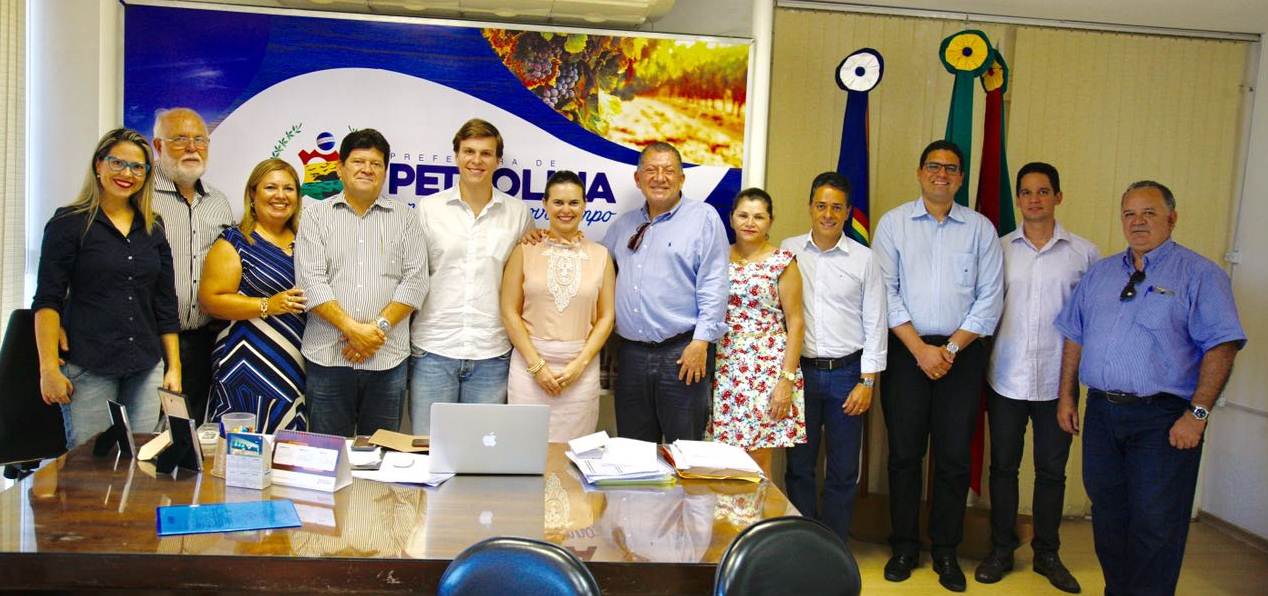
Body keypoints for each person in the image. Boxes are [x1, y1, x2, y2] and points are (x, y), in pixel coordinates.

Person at [1055, 180, 1245, 596]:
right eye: (1129, 214)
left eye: (1149, 213)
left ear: (1171, 219)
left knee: (1156, 523)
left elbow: (1222, 346)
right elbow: (1074, 335)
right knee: (1108, 517)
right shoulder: (1101, 274)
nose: (1137, 222)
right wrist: (1067, 396)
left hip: (1163, 419)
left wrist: (1197, 415)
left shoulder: (1200, 275)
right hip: (1102, 414)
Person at [873, 140, 1004, 592]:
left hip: (960, 357)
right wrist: (920, 350)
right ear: (919, 172)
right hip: (907, 353)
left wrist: (947, 349)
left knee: (952, 457)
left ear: (961, 178)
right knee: (904, 456)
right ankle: (904, 547)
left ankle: (946, 550)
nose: (941, 174)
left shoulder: (981, 229)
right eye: (933, 166)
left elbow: (990, 298)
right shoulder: (893, 224)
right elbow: (885, 292)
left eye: (951, 168)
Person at [975, 163, 1096, 593]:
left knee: (1051, 472)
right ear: (1018, 199)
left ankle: (1047, 553)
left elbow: (1089, 322)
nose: (1034, 200)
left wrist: (1071, 389)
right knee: (1003, 469)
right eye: (1026, 192)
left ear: (1058, 197)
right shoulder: (1000, 249)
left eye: (1043, 191)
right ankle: (1001, 549)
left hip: (1058, 385)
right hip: (1006, 377)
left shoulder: (1084, 254)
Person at [33, 128, 182, 449]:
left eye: (138, 167)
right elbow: (47, 300)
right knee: (91, 464)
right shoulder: (68, 223)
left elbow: (165, 304)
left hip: (145, 365)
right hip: (90, 365)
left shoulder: (153, 226)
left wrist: (174, 368)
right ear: (98, 164)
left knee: (142, 461)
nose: (127, 174)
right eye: (117, 163)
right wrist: (48, 368)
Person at [295, 129, 428, 437]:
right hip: (328, 357)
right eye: (358, 161)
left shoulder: (405, 219)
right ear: (340, 168)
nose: (367, 169)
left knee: (382, 453)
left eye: (376, 163)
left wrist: (374, 331)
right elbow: (311, 282)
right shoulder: (315, 217)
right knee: (327, 453)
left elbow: (415, 282)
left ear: (385, 172)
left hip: (387, 359)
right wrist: (353, 331)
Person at [780, 172, 887, 544]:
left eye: (836, 208)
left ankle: (833, 545)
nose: (828, 214)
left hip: (847, 375)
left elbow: (876, 322)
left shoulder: (865, 259)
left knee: (843, 469)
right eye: (821, 206)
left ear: (848, 212)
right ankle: (803, 543)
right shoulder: (788, 251)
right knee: (799, 466)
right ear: (810, 207)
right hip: (801, 374)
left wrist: (867, 381)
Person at [410, 118, 533, 435]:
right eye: (469, 151)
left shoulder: (518, 214)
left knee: (481, 453)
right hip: (433, 351)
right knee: (427, 450)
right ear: (456, 156)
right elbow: (411, 277)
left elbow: (526, 281)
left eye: (486, 153)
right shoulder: (428, 209)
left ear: (498, 160)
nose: (476, 160)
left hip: (491, 355)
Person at [601, 142, 729, 443]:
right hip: (631, 355)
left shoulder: (703, 218)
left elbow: (714, 284)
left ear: (682, 178)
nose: (660, 177)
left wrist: (701, 342)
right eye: (651, 170)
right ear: (638, 179)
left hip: (682, 353)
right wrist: (548, 238)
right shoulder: (624, 225)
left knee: (684, 450)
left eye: (669, 170)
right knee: (634, 450)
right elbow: (593, 265)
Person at [500, 170, 616, 442]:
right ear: (545, 204)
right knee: (525, 448)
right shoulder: (524, 250)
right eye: (558, 202)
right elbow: (509, 311)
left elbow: (606, 317)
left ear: (584, 205)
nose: (566, 210)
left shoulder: (601, 256)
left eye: (574, 202)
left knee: (574, 454)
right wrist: (537, 366)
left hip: (579, 371)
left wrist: (579, 365)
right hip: (529, 369)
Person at [199, 158, 308, 433]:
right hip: (246, 364)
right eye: (271, 187)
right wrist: (267, 305)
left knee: (289, 445)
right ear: (252, 193)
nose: (280, 195)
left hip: (296, 362)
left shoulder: (307, 240)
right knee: (242, 449)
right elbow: (211, 300)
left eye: (289, 188)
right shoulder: (235, 242)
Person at [707, 188, 805, 479]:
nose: (750, 223)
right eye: (743, 215)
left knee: (757, 460)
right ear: (731, 219)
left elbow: (796, 323)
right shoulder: (715, 258)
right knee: (721, 459)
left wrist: (786, 380)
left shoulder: (783, 262)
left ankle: (760, 511)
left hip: (765, 370)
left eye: (759, 217)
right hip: (722, 366)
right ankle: (725, 513)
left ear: (770, 221)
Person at [150, 108, 235, 424]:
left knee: (192, 432)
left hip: (202, 340)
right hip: (148, 339)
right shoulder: (140, 197)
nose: (191, 148)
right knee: (147, 433)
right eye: (180, 139)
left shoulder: (218, 202)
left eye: (200, 140)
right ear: (158, 146)